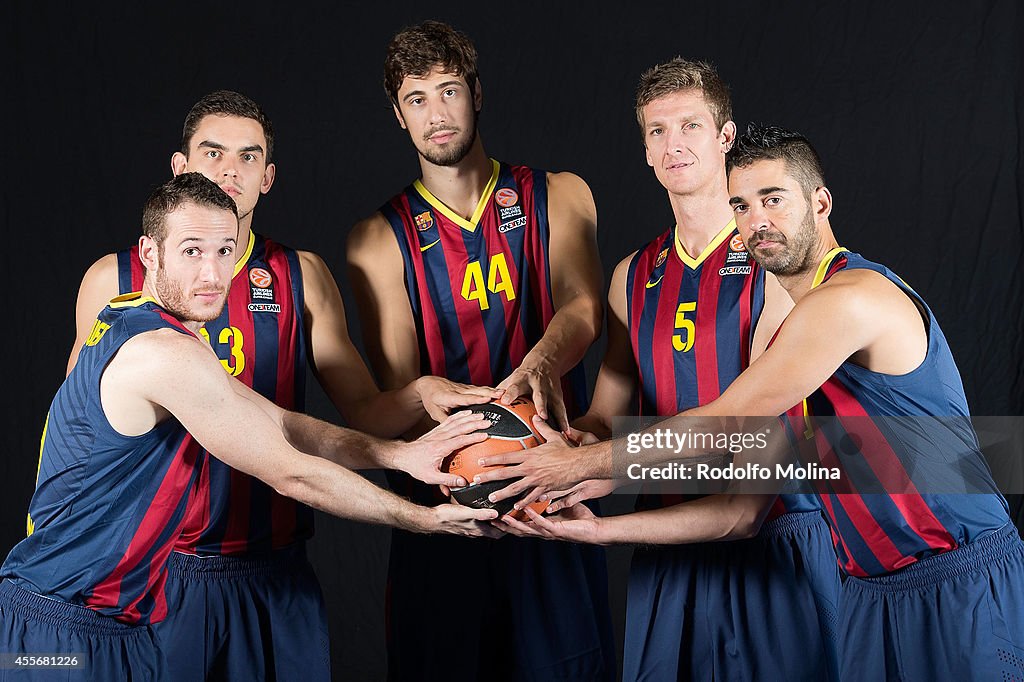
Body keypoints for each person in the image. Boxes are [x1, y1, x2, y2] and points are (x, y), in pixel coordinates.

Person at [482, 124, 1024, 681]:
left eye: (774, 199)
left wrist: (582, 463)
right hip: (868, 593)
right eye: (741, 204)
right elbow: (740, 513)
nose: (756, 220)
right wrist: (596, 530)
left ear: (820, 202)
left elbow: (723, 422)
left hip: (959, 580)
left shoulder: (852, 299)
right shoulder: (785, 342)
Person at [67, 91, 497, 680]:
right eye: (212, 153)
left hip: (275, 570)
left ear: (268, 177)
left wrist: (420, 394)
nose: (228, 170)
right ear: (179, 168)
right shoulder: (114, 281)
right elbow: (80, 453)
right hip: (161, 573)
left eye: (248, 157)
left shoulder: (301, 276)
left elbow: (363, 412)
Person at [494, 59, 839, 681]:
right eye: (657, 131)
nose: (673, 144)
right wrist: (559, 456)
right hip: (666, 546)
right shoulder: (634, 275)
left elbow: (758, 455)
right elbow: (607, 414)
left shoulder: (777, 264)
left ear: (725, 137)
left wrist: (593, 484)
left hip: (770, 544)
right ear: (646, 151)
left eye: (690, 126)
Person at [346, 20, 614, 681]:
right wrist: (456, 425)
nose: (437, 114)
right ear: (398, 115)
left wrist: (543, 361)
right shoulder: (378, 241)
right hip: (446, 516)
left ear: (477, 93)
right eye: (417, 98)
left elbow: (583, 308)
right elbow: (405, 396)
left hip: (553, 495)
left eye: (449, 91)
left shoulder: (559, 193)